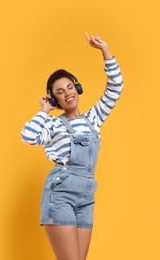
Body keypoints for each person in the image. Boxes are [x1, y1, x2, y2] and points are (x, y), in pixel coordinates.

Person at [21, 32, 124, 260]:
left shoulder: (93, 119)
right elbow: (28, 136)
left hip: (86, 197)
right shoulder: (53, 125)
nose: (67, 93)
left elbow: (115, 88)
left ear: (77, 88)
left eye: (69, 87)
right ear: (55, 100)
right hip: (60, 196)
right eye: (59, 92)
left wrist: (105, 50)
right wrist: (44, 111)